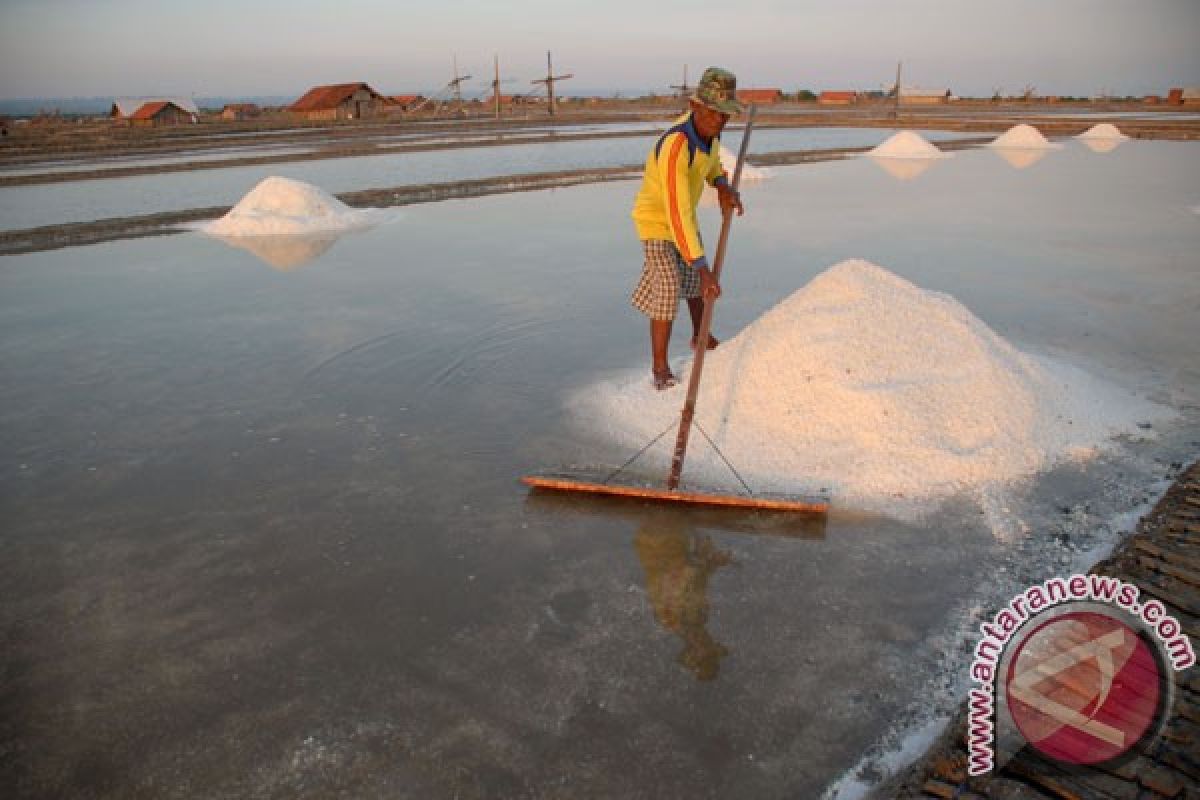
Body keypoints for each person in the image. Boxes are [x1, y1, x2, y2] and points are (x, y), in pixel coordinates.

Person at [631, 67, 746, 390]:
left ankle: (701, 336)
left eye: (725, 116)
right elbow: (677, 211)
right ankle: (660, 369)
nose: (719, 122)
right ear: (696, 107)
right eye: (713, 114)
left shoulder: (710, 136)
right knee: (668, 287)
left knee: (696, 283)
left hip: (682, 221)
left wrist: (722, 184)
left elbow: (711, 166)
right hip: (657, 222)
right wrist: (703, 265)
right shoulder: (676, 146)